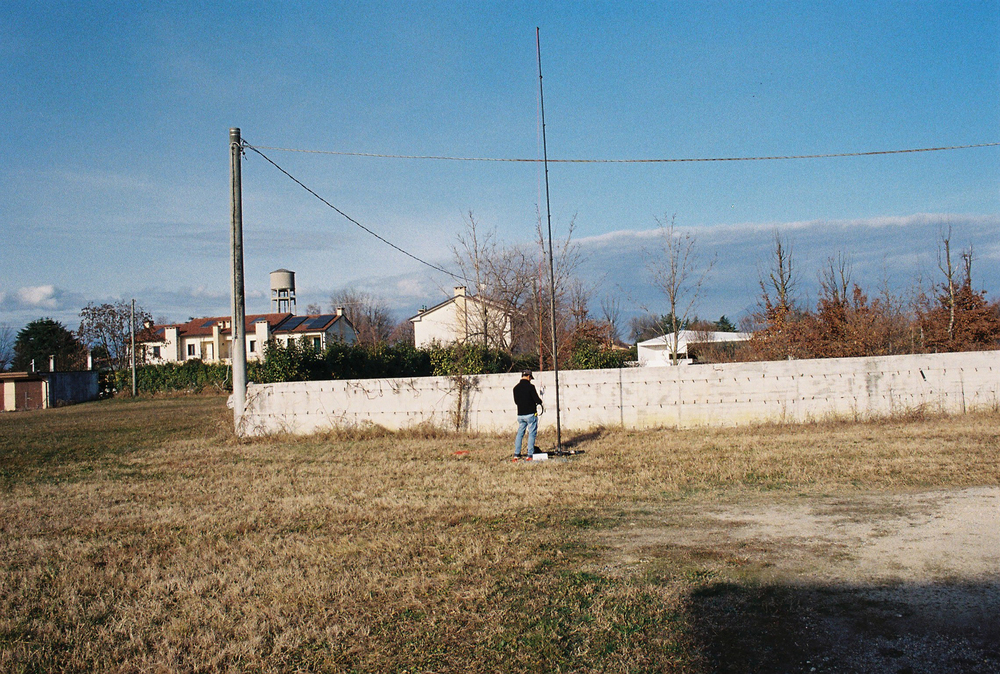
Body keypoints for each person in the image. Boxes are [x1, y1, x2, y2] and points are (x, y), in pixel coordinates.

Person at [512, 369, 543, 461]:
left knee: (520, 434)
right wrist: (540, 401)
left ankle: (516, 454)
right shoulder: (531, 387)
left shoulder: (515, 388)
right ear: (529, 376)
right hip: (530, 414)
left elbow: (516, 402)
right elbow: (537, 400)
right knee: (531, 434)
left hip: (520, 414)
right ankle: (530, 454)